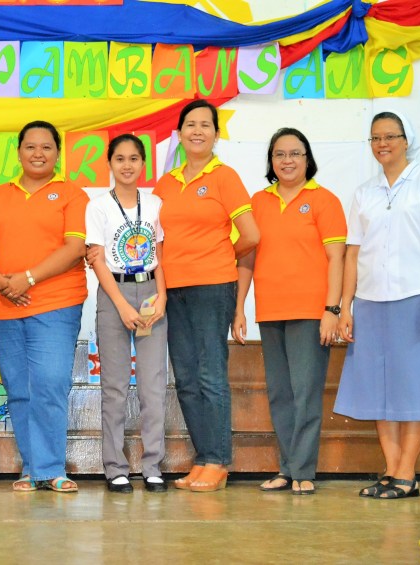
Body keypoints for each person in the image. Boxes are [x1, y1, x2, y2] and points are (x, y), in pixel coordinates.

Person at [334, 111, 420, 499]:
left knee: (414, 388)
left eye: (390, 136)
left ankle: (407, 472)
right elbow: (353, 254)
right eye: (375, 138)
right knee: (378, 390)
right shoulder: (364, 192)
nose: (382, 144)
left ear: (407, 140)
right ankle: (391, 470)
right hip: (370, 303)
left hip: (416, 298)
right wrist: (345, 307)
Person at [233, 128, 346, 496]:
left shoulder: (324, 200)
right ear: (271, 161)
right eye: (279, 154)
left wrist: (332, 309)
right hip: (270, 312)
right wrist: (239, 308)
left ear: (307, 158)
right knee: (280, 394)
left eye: (295, 153)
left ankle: (303, 471)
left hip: (311, 312)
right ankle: (287, 468)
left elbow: (337, 259)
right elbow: (246, 259)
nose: (287, 160)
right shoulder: (258, 201)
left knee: (305, 393)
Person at [154, 100, 260, 492]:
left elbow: (251, 235)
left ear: (216, 134)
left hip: (212, 287)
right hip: (173, 290)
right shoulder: (166, 183)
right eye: (190, 124)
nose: (197, 131)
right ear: (179, 134)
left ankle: (218, 461)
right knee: (185, 378)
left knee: (210, 374)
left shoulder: (224, 177)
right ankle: (203, 459)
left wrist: (218, 256)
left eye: (205, 125)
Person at [0, 121, 88, 493]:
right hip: (3, 306)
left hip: (56, 303)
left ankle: (52, 468)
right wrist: (2, 283)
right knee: (18, 388)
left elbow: (75, 249)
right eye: (30, 146)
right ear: (19, 152)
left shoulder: (72, 194)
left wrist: (26, 278)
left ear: (58, 153)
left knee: (50, 383)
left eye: (46, 147)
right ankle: (31, 468)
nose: (38, 153)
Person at [86, 134, 168, 494]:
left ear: (143, 164)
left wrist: (162, 297)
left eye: (134, 158)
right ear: (109, 164)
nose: (127, 165)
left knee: (153, 385)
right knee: (115, 387)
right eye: (120, 158)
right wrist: (120, 304)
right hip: (113, 294)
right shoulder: (98, 207)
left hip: (150, 293)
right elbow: (97, 259)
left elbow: (160, 256)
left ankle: (152, 466)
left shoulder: (155, 204)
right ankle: (115, 467)